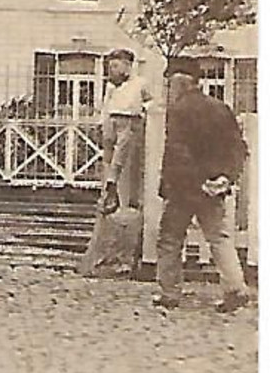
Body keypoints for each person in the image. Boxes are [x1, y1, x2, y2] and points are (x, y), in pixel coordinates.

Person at [153, 67, 252, 313]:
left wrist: (195, 181)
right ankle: (235, 288)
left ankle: (169, 293)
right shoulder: (221, 108)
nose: (169, 90)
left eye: (171, 84)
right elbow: (238, 148)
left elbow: (178, 152)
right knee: (219, 238)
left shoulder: (178, 111)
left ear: (182, 83)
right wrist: (225, 178)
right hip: (214, 187)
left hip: (184, 189)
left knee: (170, 239)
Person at [80, 49, 152, 276]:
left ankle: (113, 184)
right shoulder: (111, 87)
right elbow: (105, 109)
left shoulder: (140, 84)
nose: (112, 71)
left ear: (128, 66)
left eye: (116, 66)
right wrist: (103, 126)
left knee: (122, 167)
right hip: (112, 125)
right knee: (110, 161)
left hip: (130, 123)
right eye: (110, 66)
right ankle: (108, 185)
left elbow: (152, 107)